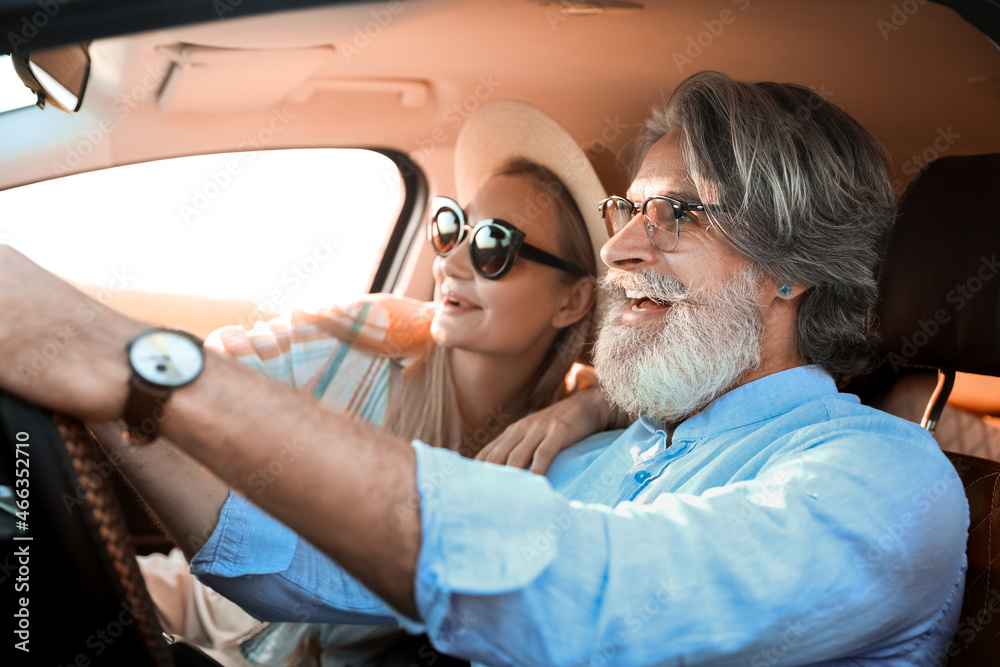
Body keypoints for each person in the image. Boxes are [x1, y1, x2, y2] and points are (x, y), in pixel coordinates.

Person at [0, 71, 969, 666]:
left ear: (789, 268)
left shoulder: (884, 480)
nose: (622, 247)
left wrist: (133, 357)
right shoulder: (589, 460)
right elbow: (306, 571)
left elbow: (589, 602)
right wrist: (120, 402)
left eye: (677, 213)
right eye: (625, 210)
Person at [93, 100, 625, 666]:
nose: (452, 263)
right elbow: (194, 376)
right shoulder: (371, 339)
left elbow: (665, 407)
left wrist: (592, 406)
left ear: (573, 300)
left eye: (496, 245)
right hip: (197, 610)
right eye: (451, 228)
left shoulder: (571, 435)